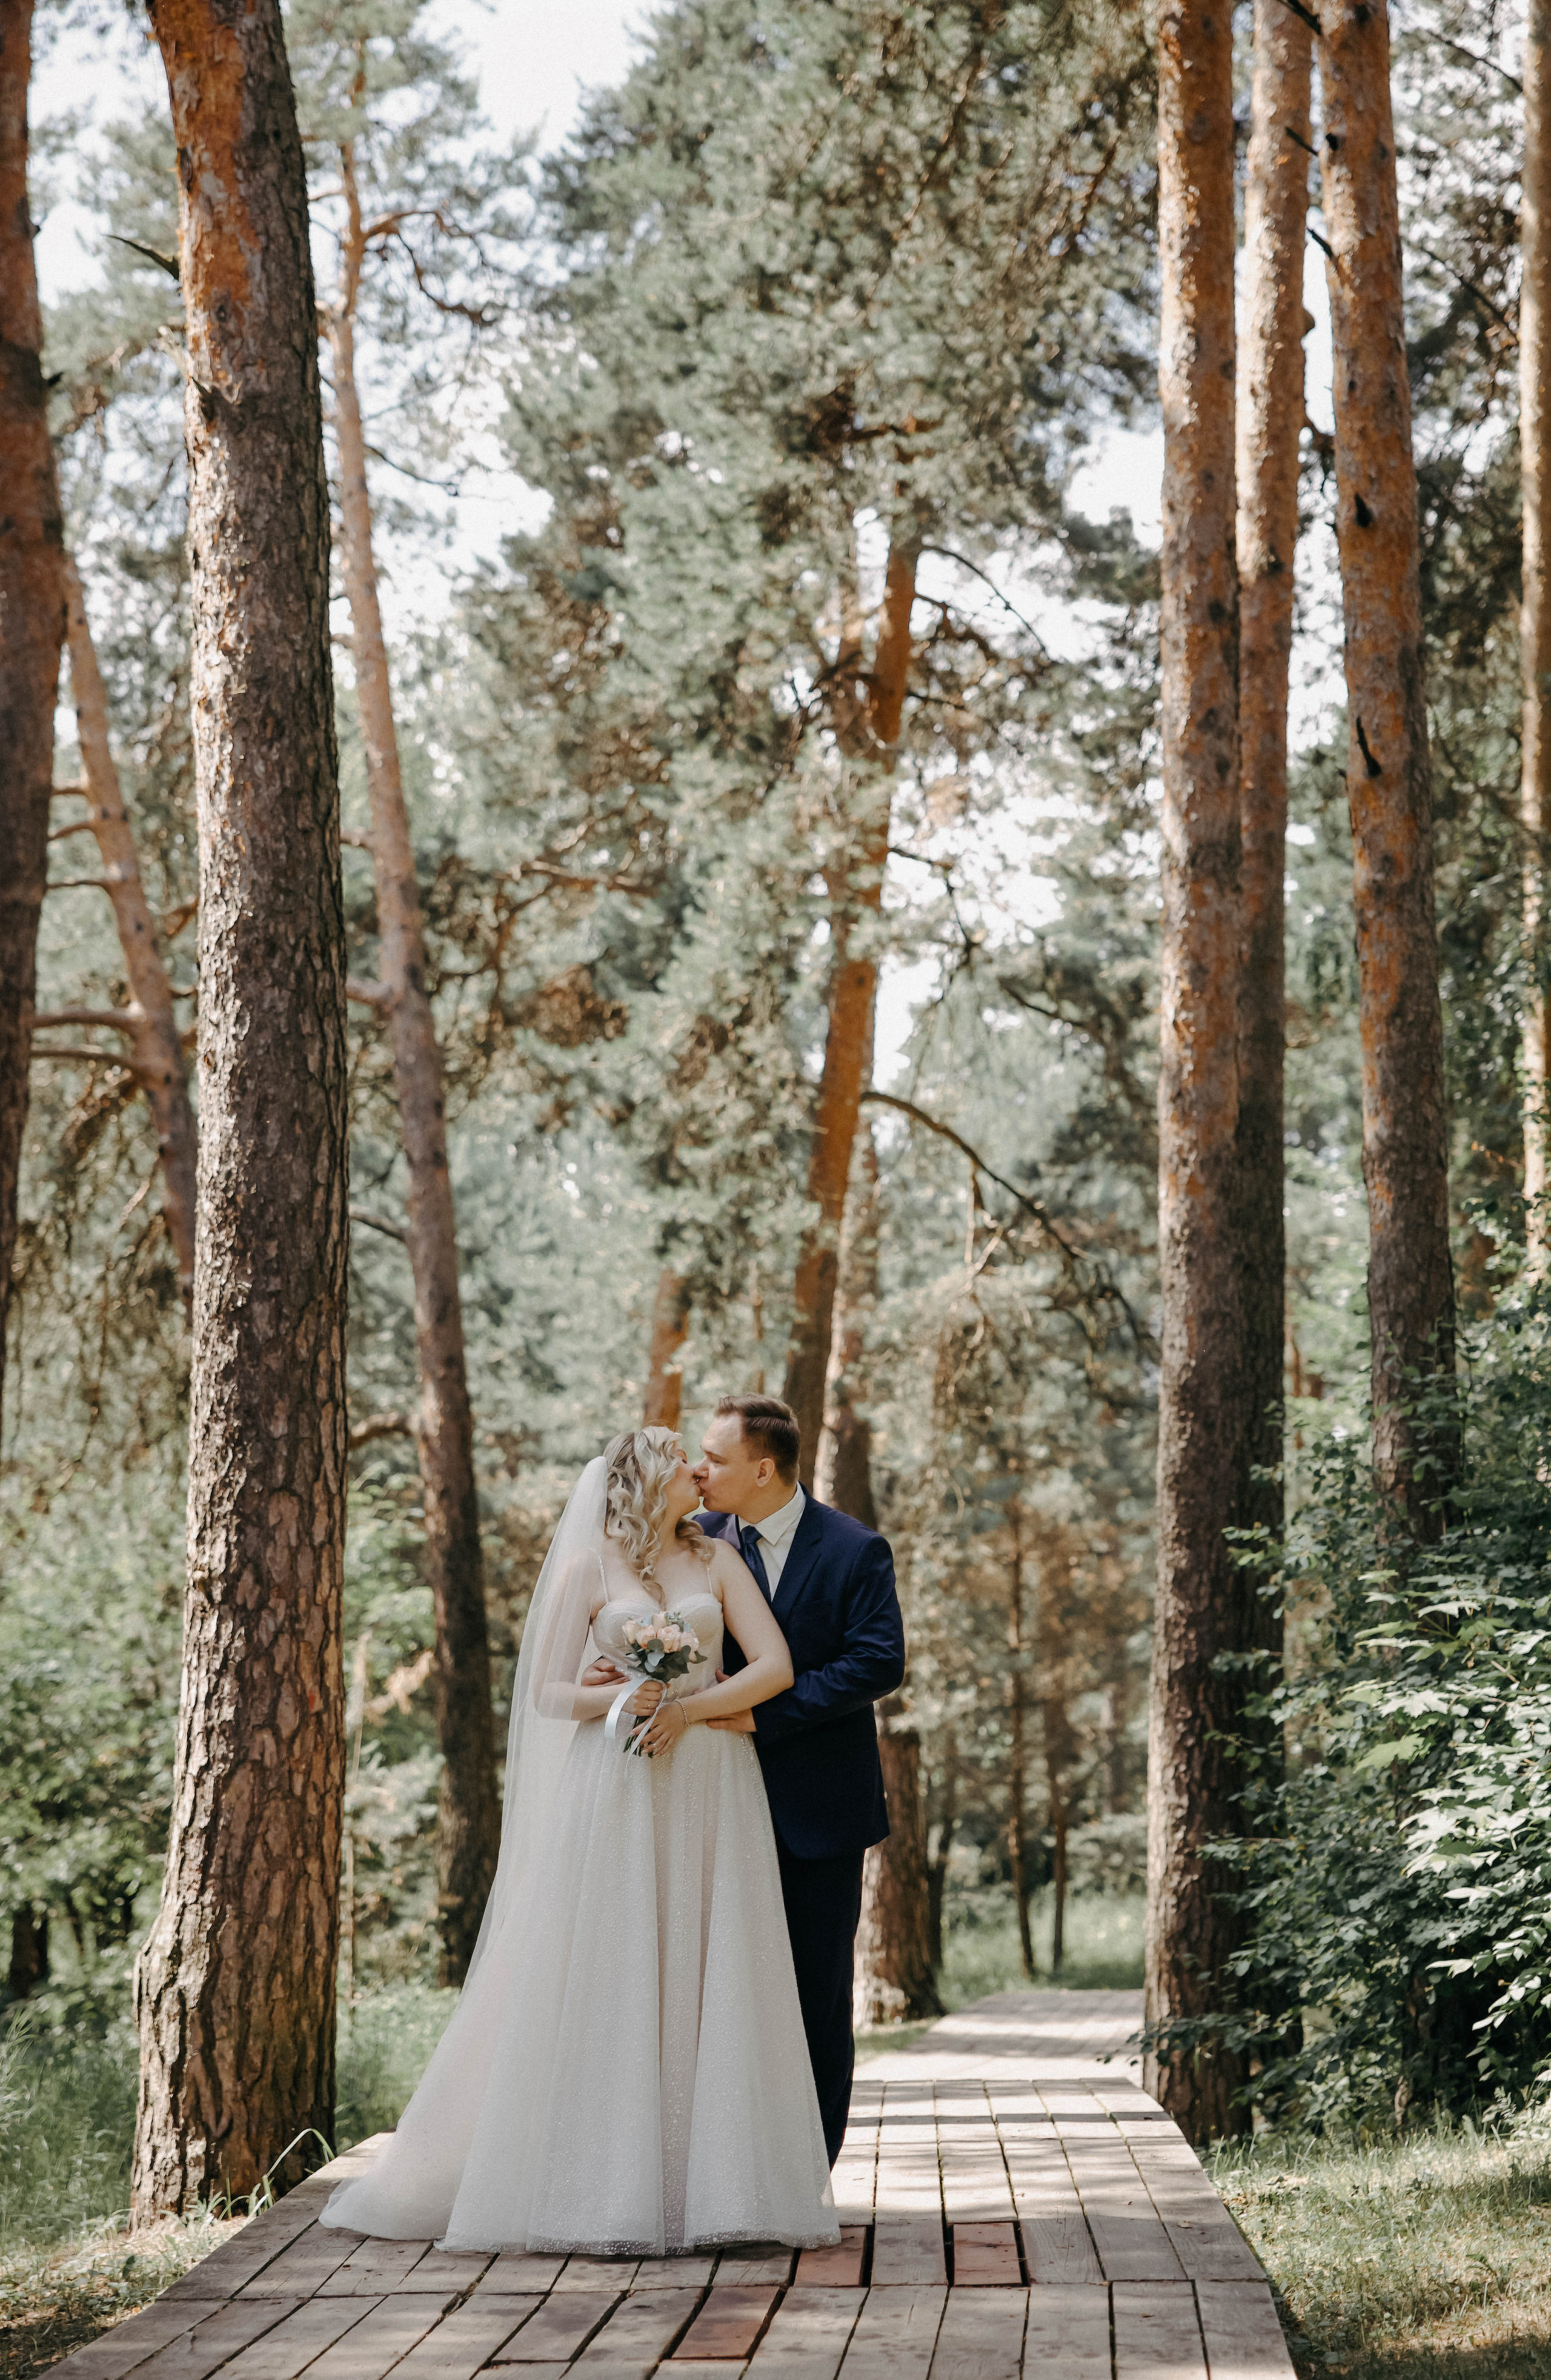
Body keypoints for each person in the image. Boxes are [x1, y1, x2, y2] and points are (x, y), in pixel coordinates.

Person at [319, 1428, 839, 2255]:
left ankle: (717, 2189)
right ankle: (612, 2189)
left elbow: (772, 1666)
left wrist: (688, 1709)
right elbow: (548, 1692)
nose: (696, 1468)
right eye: (680, 1456)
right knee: (617, 1962)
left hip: (710, 1776)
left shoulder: (716, 1557)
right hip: (620, 1782)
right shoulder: (588, 1565)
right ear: (644, 1477)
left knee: (712, 1960)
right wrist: (621, 1698)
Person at [588, 1394, 905, 2165]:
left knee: (812, 1996)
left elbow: (877, 1662)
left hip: (816, 1809)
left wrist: (765, 1714)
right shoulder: (694, 1538)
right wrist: (616, 1670)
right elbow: (653, 1626)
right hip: (705, 1800)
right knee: (718, 1995)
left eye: (716, 1458)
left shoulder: (854, 1548)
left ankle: (810, 2174)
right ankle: (720, 2166)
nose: (700, 1470)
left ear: (763, 1469)